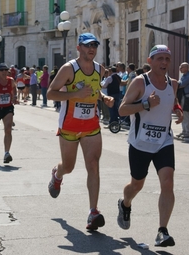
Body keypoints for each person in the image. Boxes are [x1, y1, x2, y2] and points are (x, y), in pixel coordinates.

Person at [117, 45, 183, 247]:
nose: (164, 63)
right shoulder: (140, 82)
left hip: (164, 141)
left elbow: (172, 100)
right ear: (151, 60)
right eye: (160, 58)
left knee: (168, 182)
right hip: (140, 143)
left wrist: (178, 109)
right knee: (136, 185)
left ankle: (162, 231)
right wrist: (146, 104)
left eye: (167, 59)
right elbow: (122, 110)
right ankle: (125, 203)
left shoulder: (172, 84)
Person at [47, 33, 114, 231]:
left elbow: (93, 90)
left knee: (93, 165)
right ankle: (57, 175)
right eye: (87, 45)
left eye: (94, 45)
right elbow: (51, 93)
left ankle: (93, 212)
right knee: (69, 166)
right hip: (69, 125)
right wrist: (75, 94)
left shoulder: (99, 69)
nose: (91, 48)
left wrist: (103, 98)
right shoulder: (69, 69)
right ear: (79, 48)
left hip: (91, 126)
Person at [178, 62, 189, 138]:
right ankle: (184, 131)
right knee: (182, 113)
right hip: (182, 96)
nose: (180, 69)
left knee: (186, 114)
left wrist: (177, 84)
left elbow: (181, 84)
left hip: (187, 96)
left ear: (186, 68)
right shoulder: (183, 76)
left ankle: (188, 132)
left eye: (181, 67)